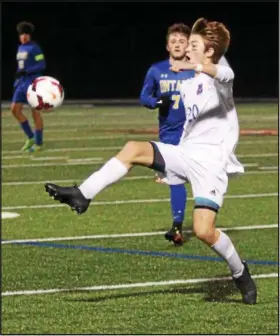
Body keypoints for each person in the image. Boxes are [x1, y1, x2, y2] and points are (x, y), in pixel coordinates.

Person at [44, 17, 257, 304]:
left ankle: (240, 272)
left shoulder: (219, 76)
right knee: (133, 148)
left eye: (194, 44)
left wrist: (193, 65)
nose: (187, 48)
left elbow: (224, 75)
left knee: (204, 231)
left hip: (210, 164)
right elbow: (185, 125)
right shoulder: (189, 81)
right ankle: (83, 194)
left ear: (209, 52)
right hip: (185, 153)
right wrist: (168, 166)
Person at [140, 23, 195, 246]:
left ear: (188, 45)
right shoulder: (156, 69)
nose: (177, 45)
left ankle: (203, 221)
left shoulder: (198, 68)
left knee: (202, 179)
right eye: (173, 41)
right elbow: (144, 96)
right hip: (170, 133)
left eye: (182, 41)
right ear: (167, 46)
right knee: (175, 179)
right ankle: (177, 226)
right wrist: (155, 102)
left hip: (196, 132)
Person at [12, 21, 46, 152]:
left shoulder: (35, 48)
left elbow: (41, 64)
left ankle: (38, 143)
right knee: (15, 110)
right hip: (21, 83)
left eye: (26, 34)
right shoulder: (20, 48)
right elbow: (21, 66)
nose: (24, 36)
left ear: (30, 35)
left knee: (35, 113)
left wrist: (28, 71)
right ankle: (30, 137)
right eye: (22, 34)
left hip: (33, 83)